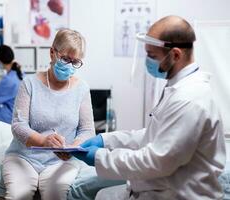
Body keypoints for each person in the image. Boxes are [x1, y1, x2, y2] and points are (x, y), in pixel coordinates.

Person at [73, 15, 226, 200]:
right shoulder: (177, 88)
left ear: (176, 54)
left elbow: (156, 161)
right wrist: (106, 140)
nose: (148, 61)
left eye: (152, 56)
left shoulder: (189, 99)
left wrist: (99, 157)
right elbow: (153, 135)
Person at [2, 29, 95, 200]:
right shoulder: (29, 84)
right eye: (65, 59)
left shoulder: (81, 89)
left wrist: (73, 148)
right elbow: (18, 125)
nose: (69, 65)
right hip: (24, 157)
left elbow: (87, 130)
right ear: (52, 52)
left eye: (75, 62)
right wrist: (43, 141)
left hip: (62, 162)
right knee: (18, 195)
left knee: (55, 195)